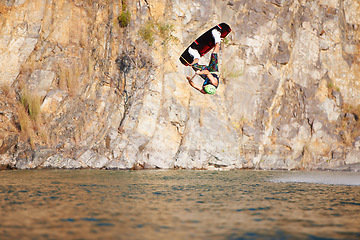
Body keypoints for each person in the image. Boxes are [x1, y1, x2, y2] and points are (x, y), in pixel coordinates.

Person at [186, 29, 222, 95]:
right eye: (205, 86)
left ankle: (196, 55)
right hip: (213, 70)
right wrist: (199, 73)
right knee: (213, 54)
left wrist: (189, 80)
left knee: (194, 66)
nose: (204, 86)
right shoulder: (214, 81)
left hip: (206, 76)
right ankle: (217, 40)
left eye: (204, 87)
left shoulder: (204, 91)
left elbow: (194, 85)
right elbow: (207, 72)